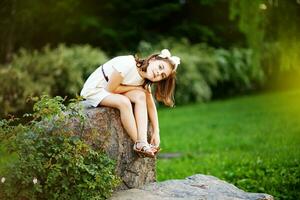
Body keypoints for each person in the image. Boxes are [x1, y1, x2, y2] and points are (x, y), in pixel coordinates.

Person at [80, 49, 180, 158]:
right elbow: (110, 89)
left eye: (162, 75)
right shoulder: (128, 63)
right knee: (124, 102)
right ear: (152, 59)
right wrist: (136, 88)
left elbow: (151, 106)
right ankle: (138, 143)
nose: (158, 73)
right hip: (96, 89)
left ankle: (143, 141)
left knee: (141, 96)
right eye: (160, 67)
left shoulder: (144, 81)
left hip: (111, 90)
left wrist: (156, 131)